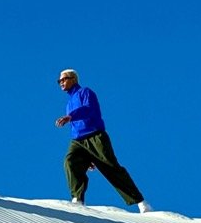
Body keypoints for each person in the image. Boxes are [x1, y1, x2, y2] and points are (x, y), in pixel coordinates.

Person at [55, 69, 150, 212]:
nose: (61, 82)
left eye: (64, 79)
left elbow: (89, 109)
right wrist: (87, 157)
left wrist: (70, 116)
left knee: (110, 167)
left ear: (73, 79)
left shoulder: (85, 92)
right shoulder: (68, 103)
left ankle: (140, 201)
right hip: (78, 141)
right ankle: (77, 199)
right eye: (59, 81)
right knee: (70, 161)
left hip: (95, 135)